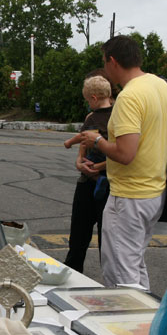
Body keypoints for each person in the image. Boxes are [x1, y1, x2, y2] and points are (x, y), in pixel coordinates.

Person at [68, 36, 167, 290]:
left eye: (104, 61)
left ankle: (128, 326)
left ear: (112, 61)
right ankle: (146, 322)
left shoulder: (130, 96)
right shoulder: (164, 86)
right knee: (134, 265)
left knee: (121, 276)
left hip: (129, 196)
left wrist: (97, 140)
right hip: (154, 191)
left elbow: (125, 153)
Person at [62, 74, 114, 273]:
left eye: (87, 100)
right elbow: (83, 142)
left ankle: (109, 277)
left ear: (93, 98)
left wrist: (99, 167)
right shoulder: (90, 118)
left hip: (107, 182)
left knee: (106, 237)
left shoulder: (117, 116)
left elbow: (120, 151)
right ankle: (73, 271)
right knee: (78, 234)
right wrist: (79, 161)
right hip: (86, 181)